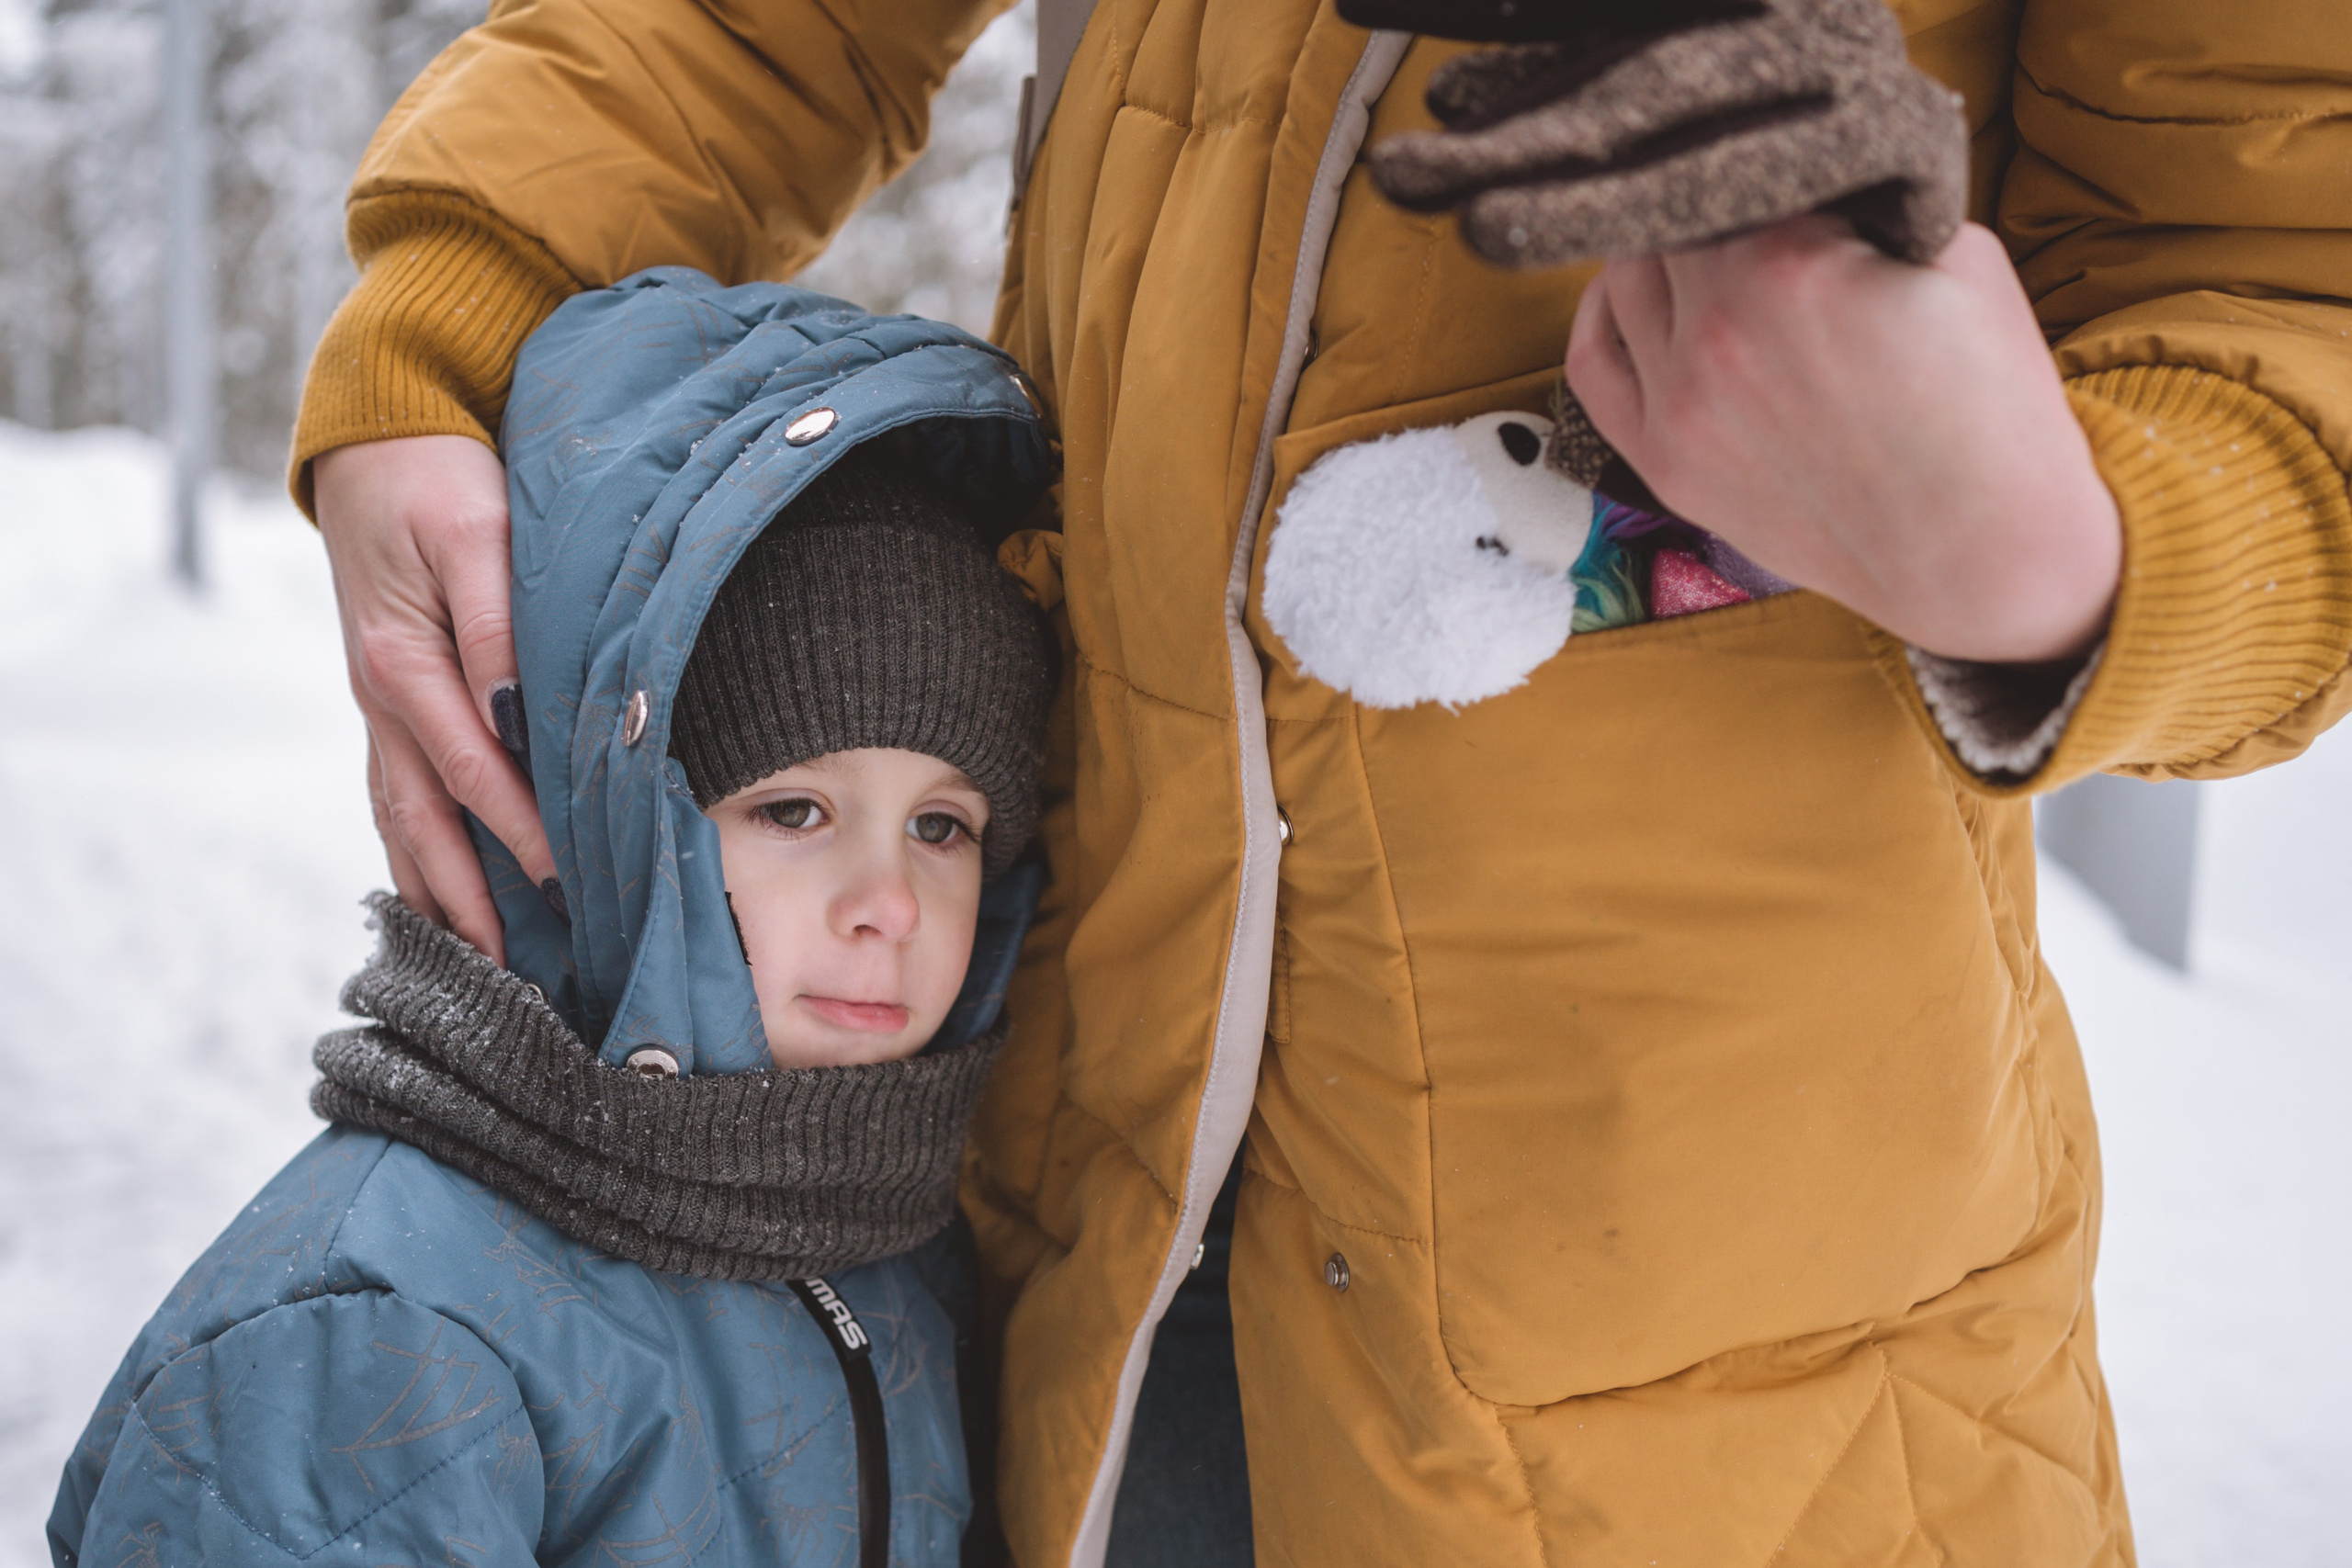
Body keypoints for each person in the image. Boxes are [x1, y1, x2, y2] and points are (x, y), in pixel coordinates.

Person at [294, 4, 2352, 1565]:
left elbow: (2280, 272)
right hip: (1094, 1205)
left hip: (1740, 1342)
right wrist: (459, 302)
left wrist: (2056, 556)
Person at [47, 274, 1057, 1568]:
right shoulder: (383, 1338)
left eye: (943, 826)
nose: (890, 905)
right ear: (602, 830)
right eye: (794, 810)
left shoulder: (891, 1242)